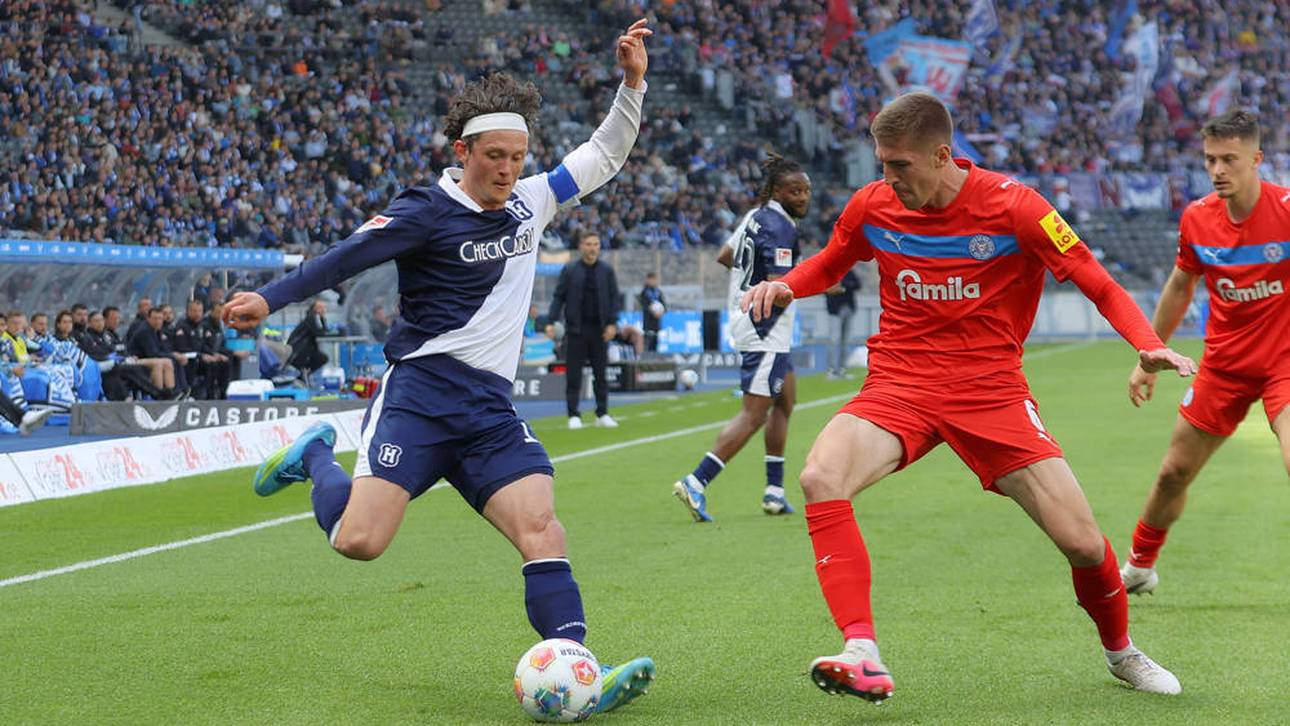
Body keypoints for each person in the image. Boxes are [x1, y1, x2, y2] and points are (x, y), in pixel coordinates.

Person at [223, 19, 656, 712]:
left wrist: (632, 84)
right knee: (358, 542)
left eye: (518, 156)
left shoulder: (533, 200)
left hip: (487, 412)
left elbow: (605, 153)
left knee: (543, 529)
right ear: (463, 151)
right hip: (419, 400)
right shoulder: (424, 210)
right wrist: (269, 298)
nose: (508, 169)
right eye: (495, 156)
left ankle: (580, 670)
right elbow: (344, 258)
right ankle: (315, 459)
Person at [741, 92, 1198, 701]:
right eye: (882, 163)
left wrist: (1146, 344)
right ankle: (861, 650)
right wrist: (787, 286)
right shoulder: (873, 204)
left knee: (1084, 544)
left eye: (900, 165)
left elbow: (1098, 283)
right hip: (899, 385)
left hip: (991, 393)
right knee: (821, 476)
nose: (888, 178)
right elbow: (831, 262)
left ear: (942, 155)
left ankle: (1122, 653)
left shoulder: (1017, 208)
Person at [1120, 110, 1290, 596]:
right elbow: (1181, 285)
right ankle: (1139, 567)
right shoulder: (1197, 218)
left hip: (1284, 364)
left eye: (1229, 159)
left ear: (1256, 159)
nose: (1217, 169)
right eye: (1210, 159)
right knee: (1173, 472)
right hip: (1225, 365)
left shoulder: (1285, 211)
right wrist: (1149, 353)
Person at [672, 153, 811, 521]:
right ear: (777, 191)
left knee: (785, 401)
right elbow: (781, 288)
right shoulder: (781, 228)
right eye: (795, 191)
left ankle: (774, 491)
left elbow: (725, 255)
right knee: (754, 413)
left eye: (806, 190)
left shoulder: (755, 216)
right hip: (765, 328)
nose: (803, 197)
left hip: (753, 322)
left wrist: (746, 282)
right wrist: (820, 282)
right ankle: (696, 481)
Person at [546, 233, 621, 429]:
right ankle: (573, 415)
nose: (592, 248)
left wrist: (612, 324)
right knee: (574, 375)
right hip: (576, 330)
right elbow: (559, 296)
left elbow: (614, 298)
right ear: (581, 247)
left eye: (596, 244)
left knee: (601, 374)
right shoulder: (570, 270)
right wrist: (551, 321)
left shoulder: (607, 271)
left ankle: (602, 413)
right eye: (588, 244)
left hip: (600, 331)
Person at [825, 268, 861, 379]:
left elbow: (858, 284)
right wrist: (835, 289)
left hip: (848, 308)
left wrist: (843, 287)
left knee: (845, 341)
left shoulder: (848, 271)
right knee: (833, 340)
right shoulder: (829, 272)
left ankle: (842, 370)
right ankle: (831, 370)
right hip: (835, 310)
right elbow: (826, 289)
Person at [287, 298, 329, 377]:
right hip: (299, 351)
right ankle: (303, 375)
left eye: (324, 307)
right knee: (322, 358)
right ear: (314, 308)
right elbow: (319, 333)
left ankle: (304, 374)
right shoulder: (310, 318)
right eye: (320, 307)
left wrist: (323, 318)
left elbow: (324, 331)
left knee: (322, 358)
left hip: (307, 349)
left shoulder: (316, 318)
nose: (323, 310)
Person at [637, 271, 665, 353]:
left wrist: (661, 312)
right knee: (648, 342)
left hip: (656, 322)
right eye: (650, 279)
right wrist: (652, 310)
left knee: (655, 342)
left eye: (654, 279)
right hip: (648, 322)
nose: (652, 281)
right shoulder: (644, 293)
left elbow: (664, 305)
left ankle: (654, 356)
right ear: (647, 280)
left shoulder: (658, 292)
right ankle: (647, 356)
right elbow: (644, 305)